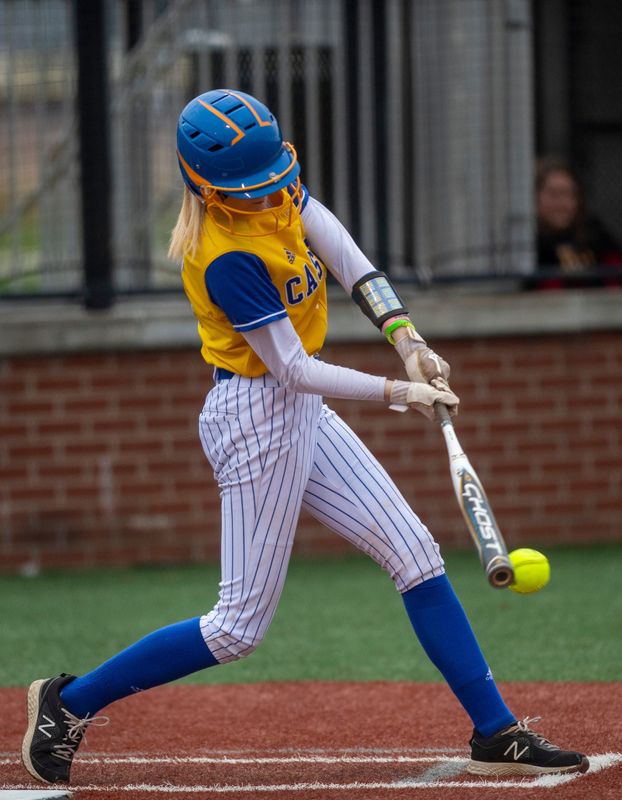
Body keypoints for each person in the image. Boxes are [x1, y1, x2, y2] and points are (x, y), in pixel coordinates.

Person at [22, 90, 589, 785]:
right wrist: (400, 392)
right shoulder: (224, 255)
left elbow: (351, 262)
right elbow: (292, 368)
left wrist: (407, 339)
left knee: (415, 554)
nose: (270, 194)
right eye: (251, 188)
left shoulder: (280, 190)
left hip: (299, 408)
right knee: (236, 629)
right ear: (209, 187)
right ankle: (69, 703)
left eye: (274, 179)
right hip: (254, 417)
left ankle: (495, 730)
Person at [533, 155, 622, 288]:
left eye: (570, 194)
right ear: (533, 198)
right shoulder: (527, 244)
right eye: (554, 195)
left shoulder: (595, 235)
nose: (563, 205)